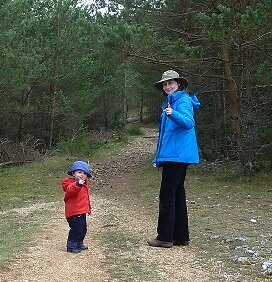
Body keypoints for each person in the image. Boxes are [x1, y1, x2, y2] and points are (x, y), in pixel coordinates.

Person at [147, 70, 200, 248]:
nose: (168, 86)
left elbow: (188, 123)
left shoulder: (182, 100)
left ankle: (165, 237)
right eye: (165, 84)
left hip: (177, 156)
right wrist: (158, 157)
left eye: (171, 83)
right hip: (173, 155)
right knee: (177, 193)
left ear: (179, 84)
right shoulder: (171, 101)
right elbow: (165, 135)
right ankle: (180, 236)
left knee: (167, 194)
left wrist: (172, 114)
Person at [62, 160, 92, 253]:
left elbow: (85, 198)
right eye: (79, 172)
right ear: (73, 173)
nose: (82, 175)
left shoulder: (83, 184)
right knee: (76, 229)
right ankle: (71, 245)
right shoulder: (70, 184)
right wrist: (77, 184)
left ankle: (79, 243)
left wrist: (88, 209)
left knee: (83, 228)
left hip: (81, 211)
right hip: (73, 212)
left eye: (84, 173)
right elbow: (71, 190)